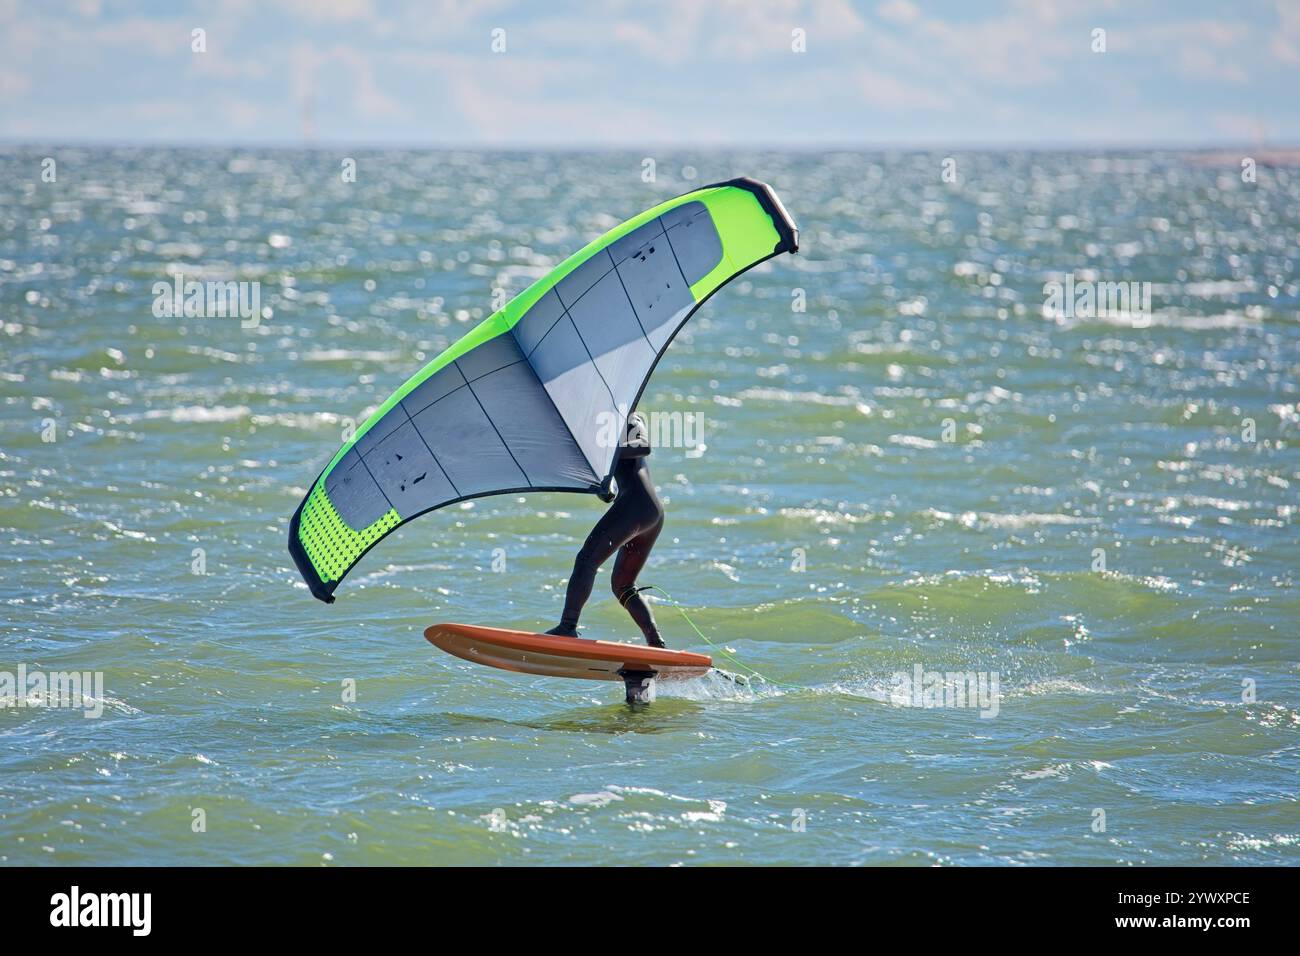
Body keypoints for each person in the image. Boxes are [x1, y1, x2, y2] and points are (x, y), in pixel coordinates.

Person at [546, 411, 665, 648]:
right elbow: (611, 483)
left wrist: (605, 455)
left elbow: (642, 447)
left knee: (586, 560)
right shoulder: (603, 424)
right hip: (647, 510)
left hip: (637, 505)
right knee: (623, 584)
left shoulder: (627, 414)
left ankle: (567, 626)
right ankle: (656, 642)